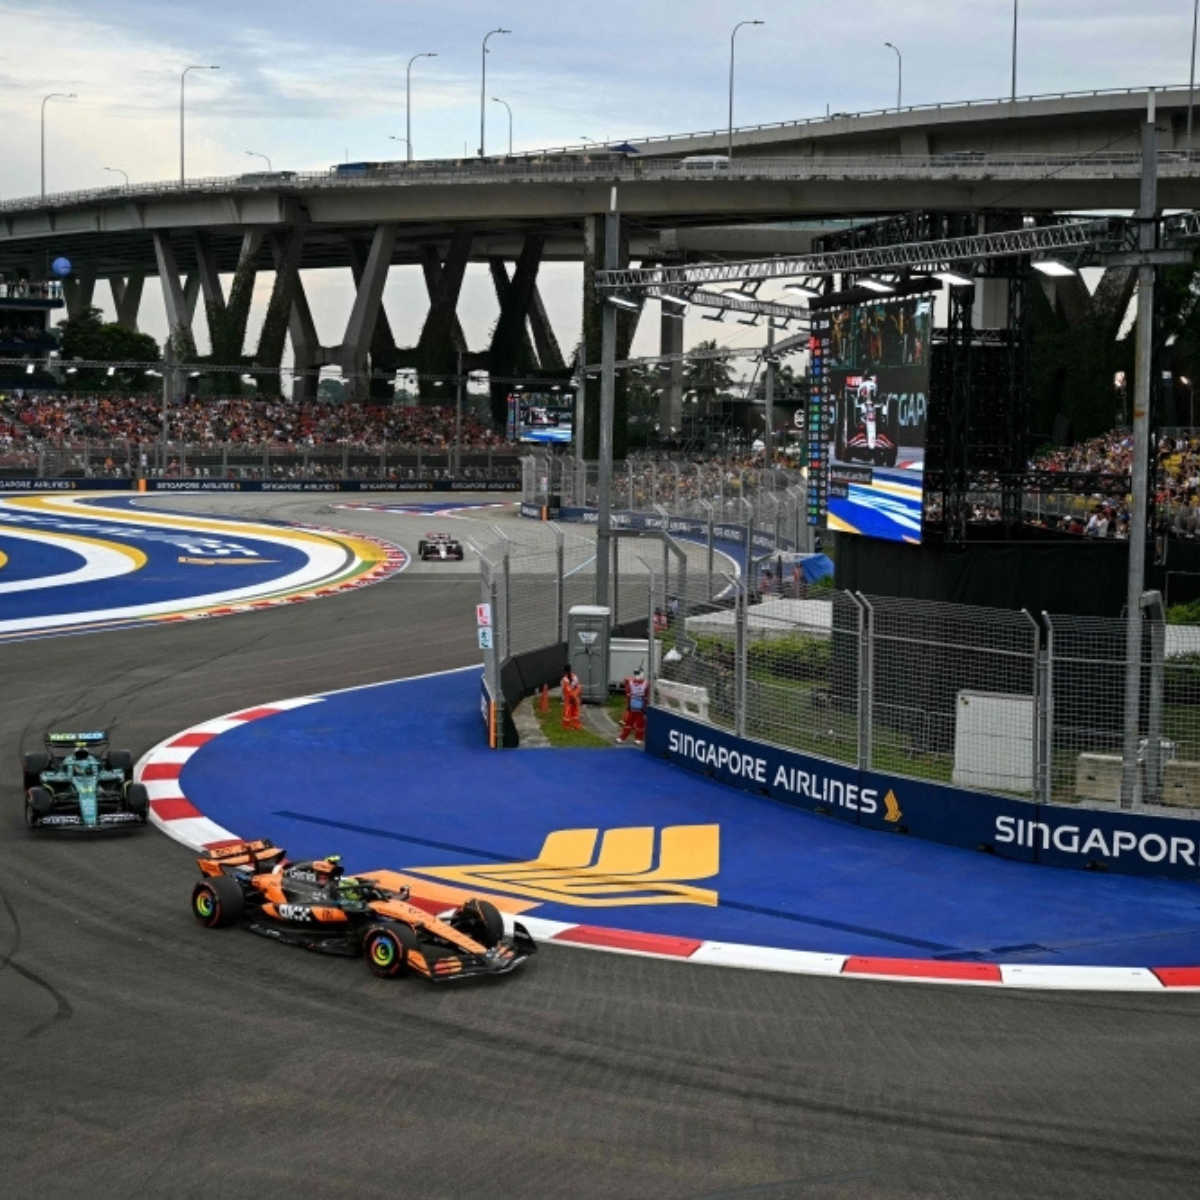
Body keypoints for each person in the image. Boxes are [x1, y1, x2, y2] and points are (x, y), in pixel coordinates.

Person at [617, 666, 649, 746]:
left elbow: (647, 696)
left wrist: (645, 707)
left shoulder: (646, 683)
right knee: (628, 723)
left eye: (638, 674)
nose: (636, 675)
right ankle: (622, 737)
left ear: (642, 674)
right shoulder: (631, 682)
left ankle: (639, 739)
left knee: (640, 724)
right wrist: (628, 705)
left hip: (641, 707)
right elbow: (627, 683)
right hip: (632, 706)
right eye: (635, 674)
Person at [561, 664, 582, 732]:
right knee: (575, 713)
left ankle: (566, 727)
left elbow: (567, 690)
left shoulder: (564, 679)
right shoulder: (575, 677)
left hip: (568, 698)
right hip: (575, 698)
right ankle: (577, 726)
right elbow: (579, 687)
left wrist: (573, 697)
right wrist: (576, 697)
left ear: (564, 670)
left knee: (567, 713)